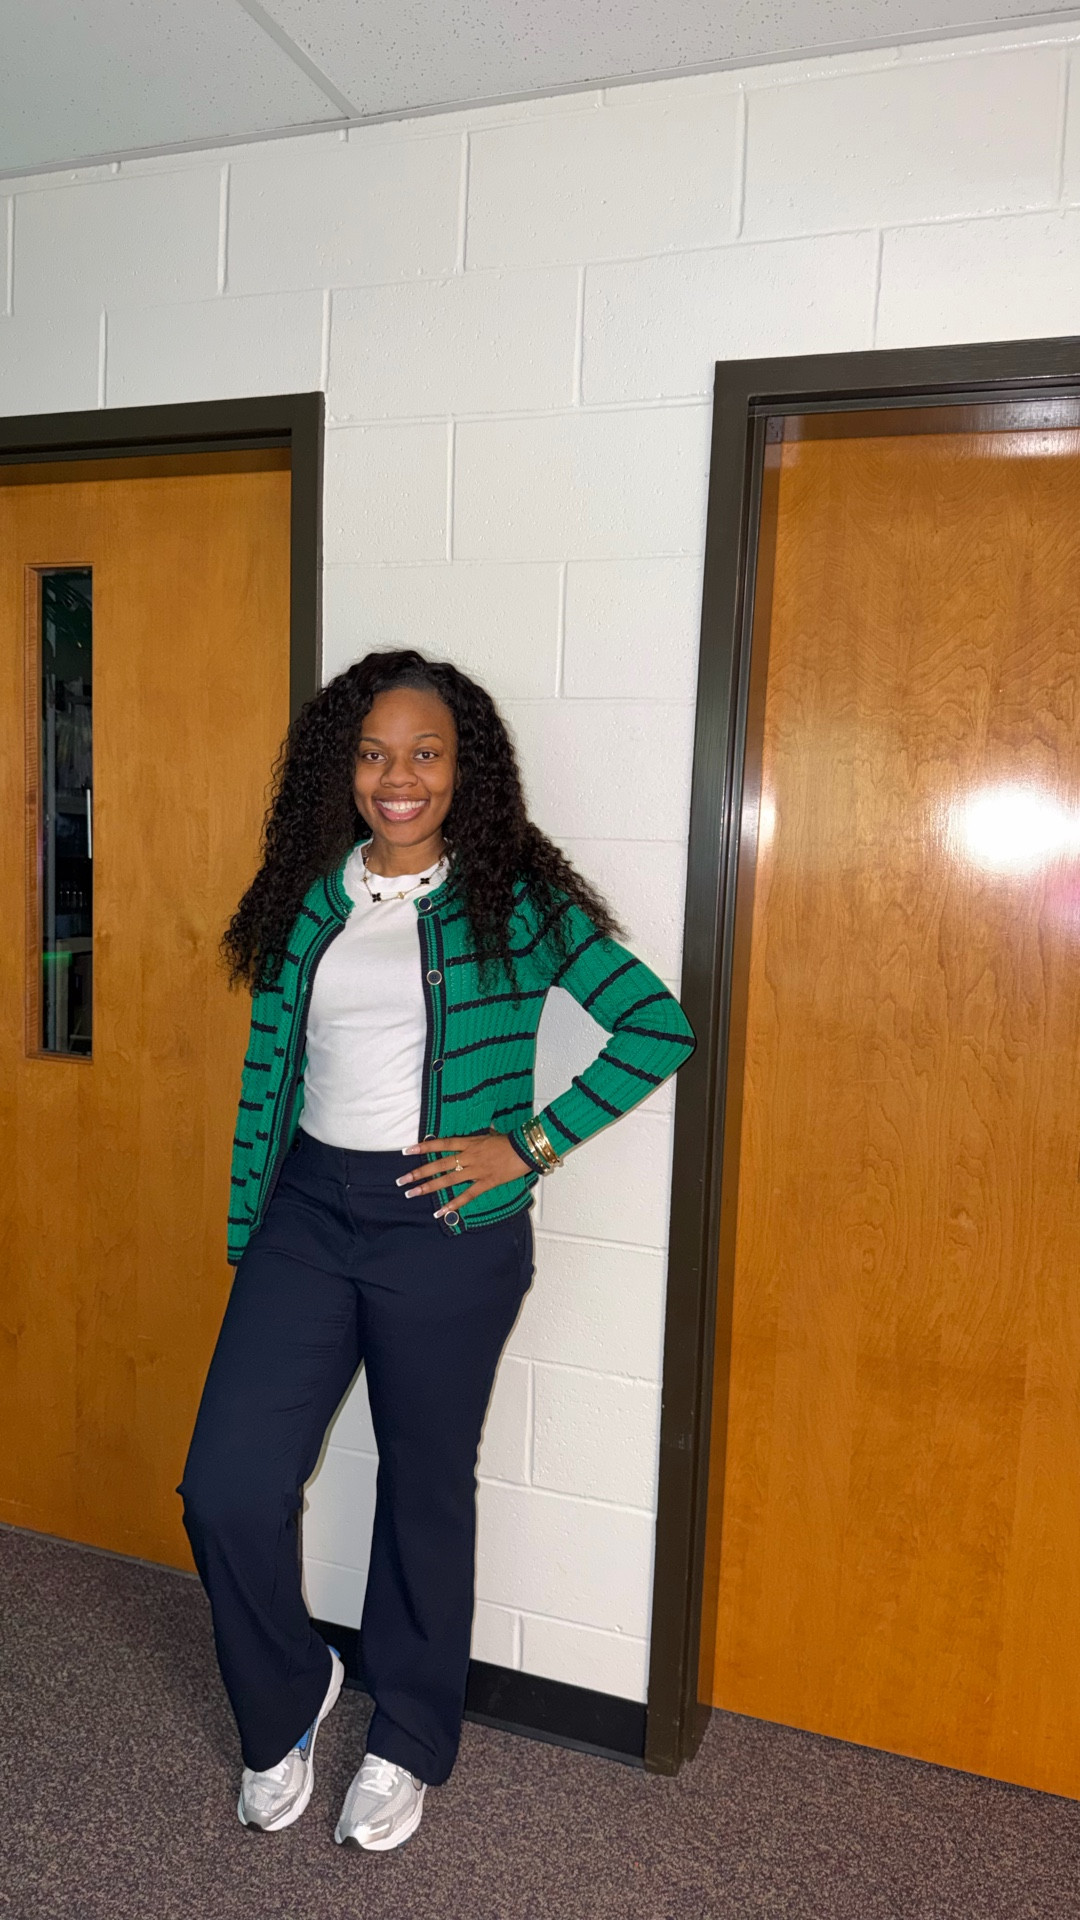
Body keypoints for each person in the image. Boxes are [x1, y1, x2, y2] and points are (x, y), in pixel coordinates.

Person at [178, 648, 695, 1853]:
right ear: (342, 768)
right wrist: (257, 1208)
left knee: (423, 1485)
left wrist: (531, 1144)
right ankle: (288, 1696)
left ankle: (409, 1732)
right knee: (226, 1486)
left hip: (447, 1228)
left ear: (468, 769)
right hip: (309, 1214)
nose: (397, 777)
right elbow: (280, 1069)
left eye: (424, 753)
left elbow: (654, 1026)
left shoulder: (515, 896)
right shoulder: (309, 892)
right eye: (373, 754)